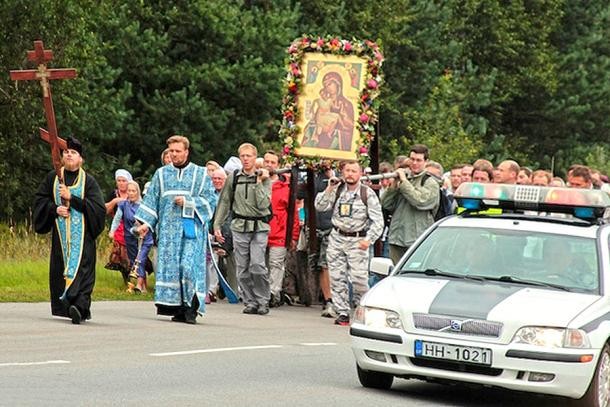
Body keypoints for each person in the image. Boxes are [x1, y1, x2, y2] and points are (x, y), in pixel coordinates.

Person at [135, 135, 217, 324]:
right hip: (168, 234)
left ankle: (191, 309)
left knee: (187, 267)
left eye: (177, 151)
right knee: (171, 269)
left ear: (186, 152)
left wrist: (189, 202)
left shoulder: (200, 174)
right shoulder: (161, 174)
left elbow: (210, 202)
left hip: (191, 232)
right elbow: (152, 203)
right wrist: (146, 224)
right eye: (171, 151)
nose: (174, 154)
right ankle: (177, 308)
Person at [33, 136, 106, 324]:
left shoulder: (88, 181)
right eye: (66, 152)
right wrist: (54, 209)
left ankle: (80, 307)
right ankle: (68, 307)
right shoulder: (53, 178)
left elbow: (98, 209)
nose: (69, 155)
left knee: (83, 272)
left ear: (81, 159)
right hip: (61, 238)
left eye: (73, 153)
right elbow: (40, 200)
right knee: (62, 269)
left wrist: (71, 198)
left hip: (83, 238)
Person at [315, 160, 384, 326]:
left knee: (359, 279)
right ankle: (343, 312)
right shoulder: (338, 189)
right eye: (347, 171)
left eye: (354, 171)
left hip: (357, 239)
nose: (350, 174)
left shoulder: (366, 193)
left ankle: (364, 310)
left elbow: (378, 221)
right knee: (337, 277)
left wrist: (369, 240)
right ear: (342, 172)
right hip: (337, 238)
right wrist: (329, 188)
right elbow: (320, 206)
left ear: (360, 173)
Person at [214, 143, 273, 315]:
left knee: (257, 265)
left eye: (249, 156)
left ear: (255, 157)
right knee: (242, 266)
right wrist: (217, 224)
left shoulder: (264, 178)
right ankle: (250, 301)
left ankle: (263, 300)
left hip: (259, 226)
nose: (246, 159)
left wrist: (258, 182)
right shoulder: (234, 177)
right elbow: (224, 201)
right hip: (239, 225)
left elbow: (264, 205)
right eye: (243, 156)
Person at [381, 144, 440, 265]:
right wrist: (393, 185)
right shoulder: (404, 178)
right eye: (412, 159)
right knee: (395, 274)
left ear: (426, 162)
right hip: (397, 238)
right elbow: (386, 204)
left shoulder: (430, 182)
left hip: (417, 239)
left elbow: (419, 201)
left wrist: (404, 182)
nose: (414, 163)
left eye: (418, 160)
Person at [263, 151, 300, 308]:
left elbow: (294, 213)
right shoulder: (257, 182)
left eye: (273, 162)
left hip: (279, 233)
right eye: (267, 161)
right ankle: (261, 293)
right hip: (260, 231)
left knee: (276, 264)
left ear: (277, 165)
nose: (269, 165)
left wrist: (294, 236)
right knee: (260, 265)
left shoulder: (286, 187)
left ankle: (273, 293)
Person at [109, 181, 153, 293]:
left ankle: (138, 285)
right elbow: (117, 218)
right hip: (130, 237)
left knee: (140, 259)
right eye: (129, 191)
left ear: (138, 192)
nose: (131, 193)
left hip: (144, 238)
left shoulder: (144, 205)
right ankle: (142, 287)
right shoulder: (123, 205)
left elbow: (151, 221)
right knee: (134, 261)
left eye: (134, 191)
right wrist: (112, 231)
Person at [303, 71, 355, 151]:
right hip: (321, 136)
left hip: (334, 139)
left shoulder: (346, 104)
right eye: (326, 85)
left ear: (338, 84)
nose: (328, 87)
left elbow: (350, 126)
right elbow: (316, 118)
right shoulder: (324, 101)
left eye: (330, 84)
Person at [104, 169, 133, 283]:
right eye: (119, 181)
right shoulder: (114, 194)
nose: (121, 183)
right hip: (118, 227)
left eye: (123, 181)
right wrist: (115, 201)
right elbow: (105, 209)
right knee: (120, 254)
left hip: (131, 226)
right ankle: (127, 279)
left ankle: (138, 278)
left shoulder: (133, 191)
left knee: (132, 253)